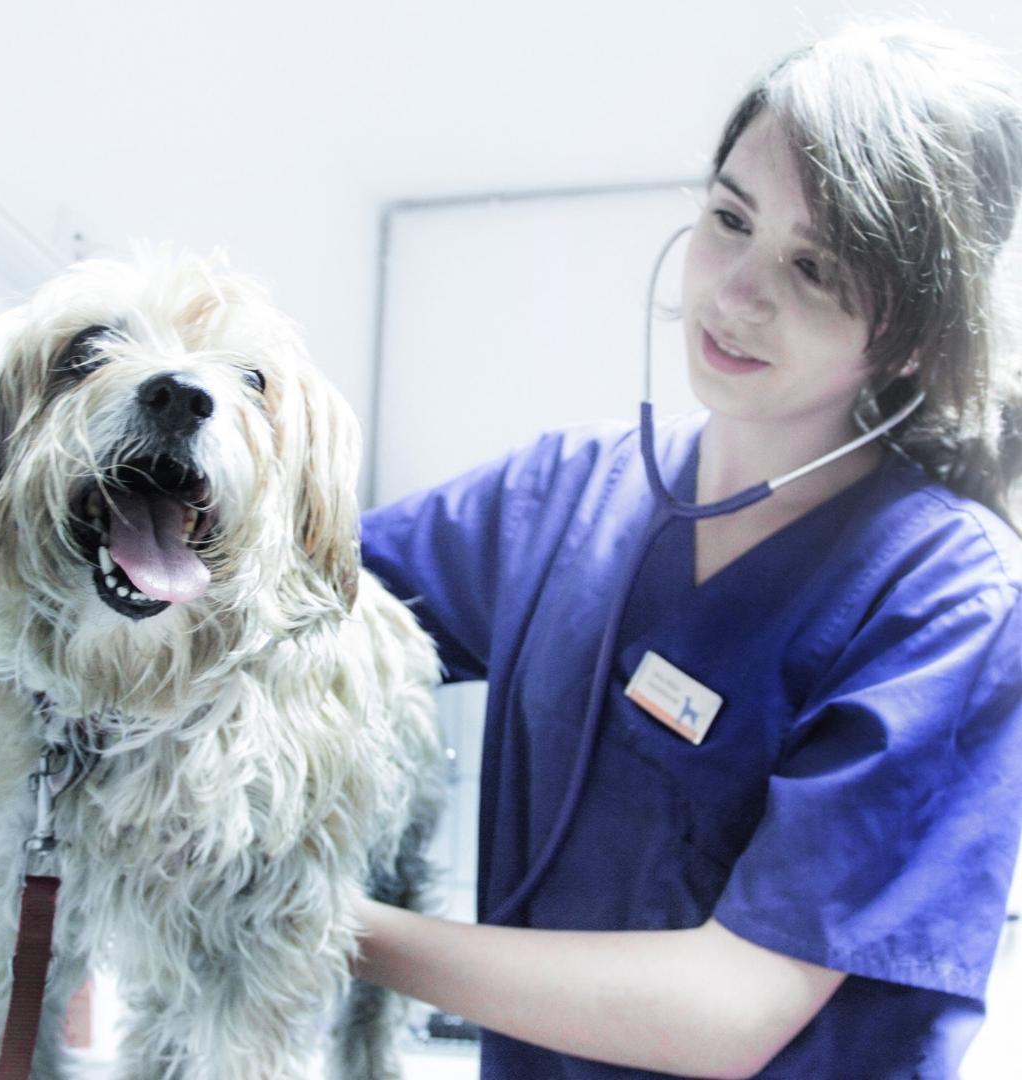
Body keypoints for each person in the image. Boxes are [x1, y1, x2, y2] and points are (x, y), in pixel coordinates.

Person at [356, 19, 1022, 1079]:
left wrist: (327, 925)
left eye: (815, 268)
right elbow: (295, 606)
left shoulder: (945, 599)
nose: (737, 294)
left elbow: (731, 1006)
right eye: (729, 218)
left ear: (903, 332)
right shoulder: (557, 499)